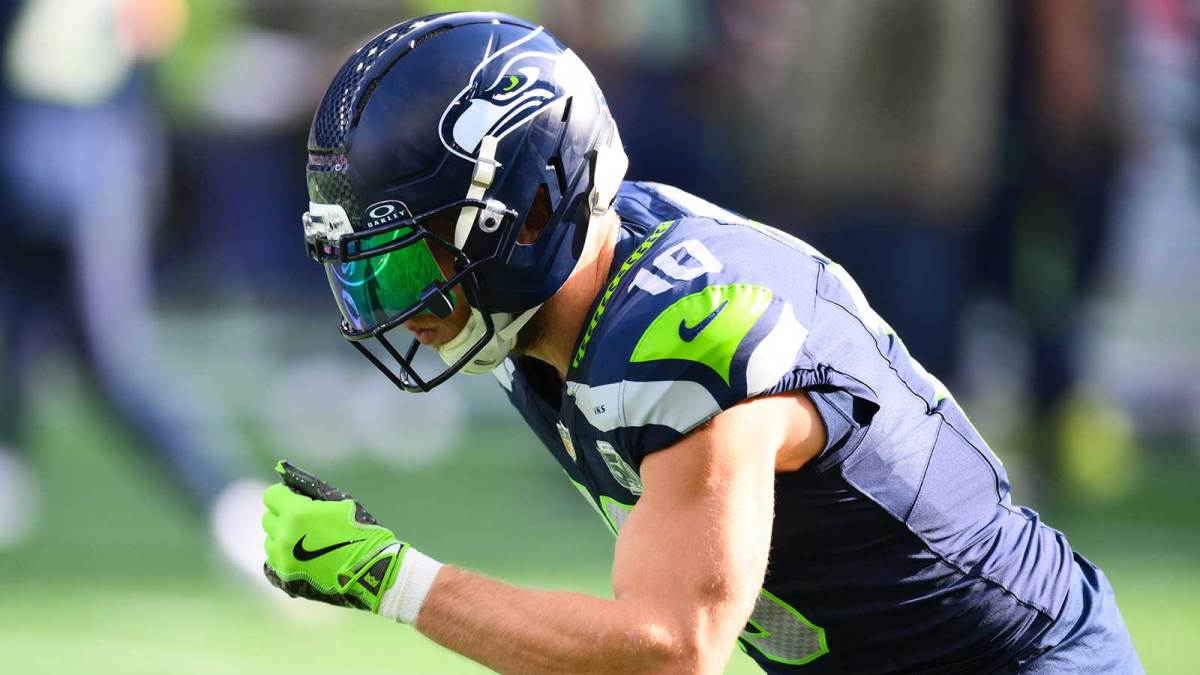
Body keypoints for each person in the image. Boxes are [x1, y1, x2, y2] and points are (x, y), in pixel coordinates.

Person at [260, 12, 1141, 673]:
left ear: (527, 215)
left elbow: (670, 648)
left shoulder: (692, 331)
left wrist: (391, 579)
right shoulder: (552, 299)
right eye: (365, 272)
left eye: (406, 264)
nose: (395, 308)